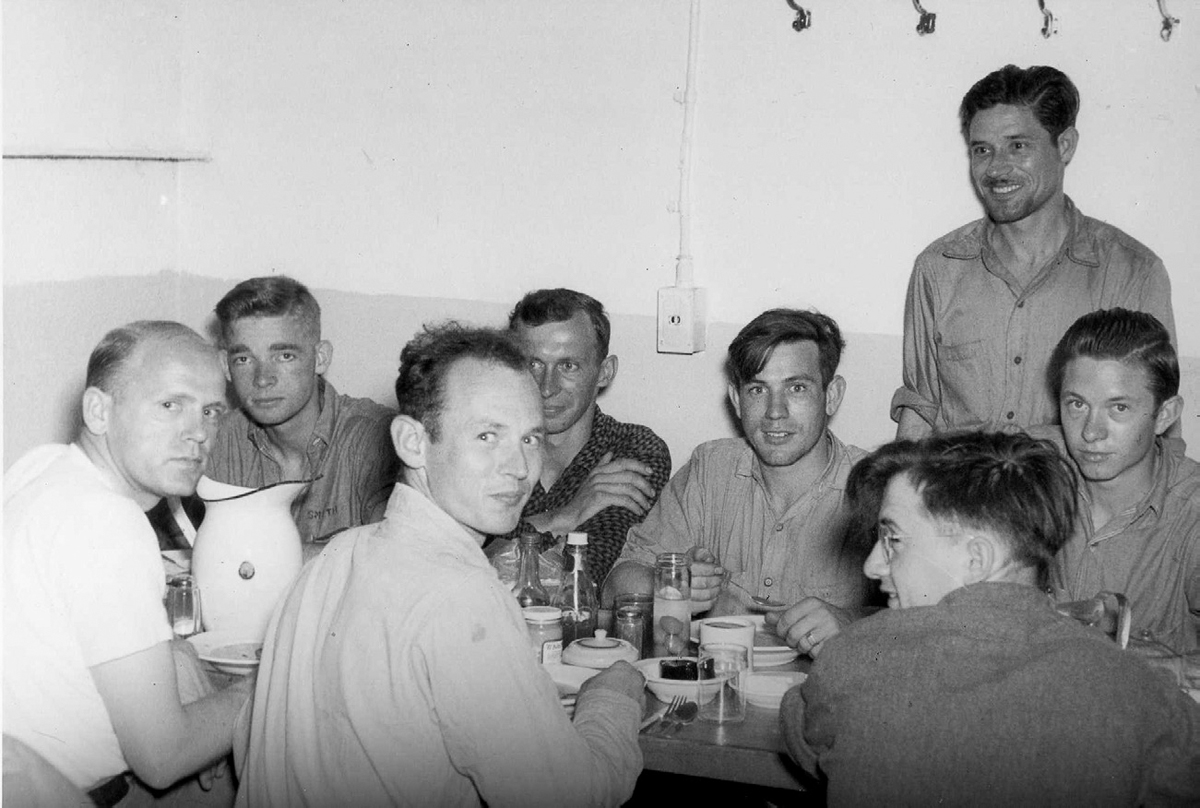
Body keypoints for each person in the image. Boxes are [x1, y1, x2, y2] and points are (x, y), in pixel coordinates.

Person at [236, 323, 645, 807]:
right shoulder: (462, 593)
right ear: (412, 443)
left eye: (530, 439)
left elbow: (249, 747)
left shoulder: (334, 558)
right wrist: (613, 695)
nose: (518, 467)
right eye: (488, 435)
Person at [781, 431, 1200, 805]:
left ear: (977, 559)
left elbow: (799, 724)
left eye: (893, 540)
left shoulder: (852, 660)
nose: (873, 565)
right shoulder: (1135, 689)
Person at [3, 321, 254, 804]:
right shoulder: (110, 522)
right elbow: (164, 758)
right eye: (170, 405)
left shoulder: (42, 467)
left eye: (211, 411)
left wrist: (174, 654)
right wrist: (268, 684)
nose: (199, 433)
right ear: (98, 410)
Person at [892, 64, 1175, 439]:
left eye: (1018, 146)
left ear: (1065, 145)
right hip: (957, 493)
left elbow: (1159, 433)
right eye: (982, 150)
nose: (996, 168)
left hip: (1070, 498)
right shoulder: (938, 268)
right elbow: (920, 412)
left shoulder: (1131, 272)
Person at [605, 309, 871, 656]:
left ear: (832, 395)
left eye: (797, 388)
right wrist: (669, 584)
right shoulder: (710, 469)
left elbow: (928, 619)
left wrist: (852, 623)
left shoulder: (874, 486)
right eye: (758, 390)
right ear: (736, 399)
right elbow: (614, 588)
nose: (776, 411)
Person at [207, 276, 399, 550]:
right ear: (226, 367)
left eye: (284, 356)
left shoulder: (375, 437)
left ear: (320, 358)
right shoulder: (218, 437)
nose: (263, 379)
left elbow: (392, 555)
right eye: (244, 359)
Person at [1048, 308, 1199, 652]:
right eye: (1076, 404)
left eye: (1118, 408)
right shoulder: (1034, 469)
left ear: (1164, 415)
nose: (1090, 432)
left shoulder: (1192, 515)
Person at [501, 288, 671, 582]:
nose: (546, 387)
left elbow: (589, 572)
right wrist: (566, 515)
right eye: (534, 364)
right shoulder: (491, 449)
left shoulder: (633, 450)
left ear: (604, 372)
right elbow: (457, 558)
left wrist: (513, 535)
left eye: (568, 366)